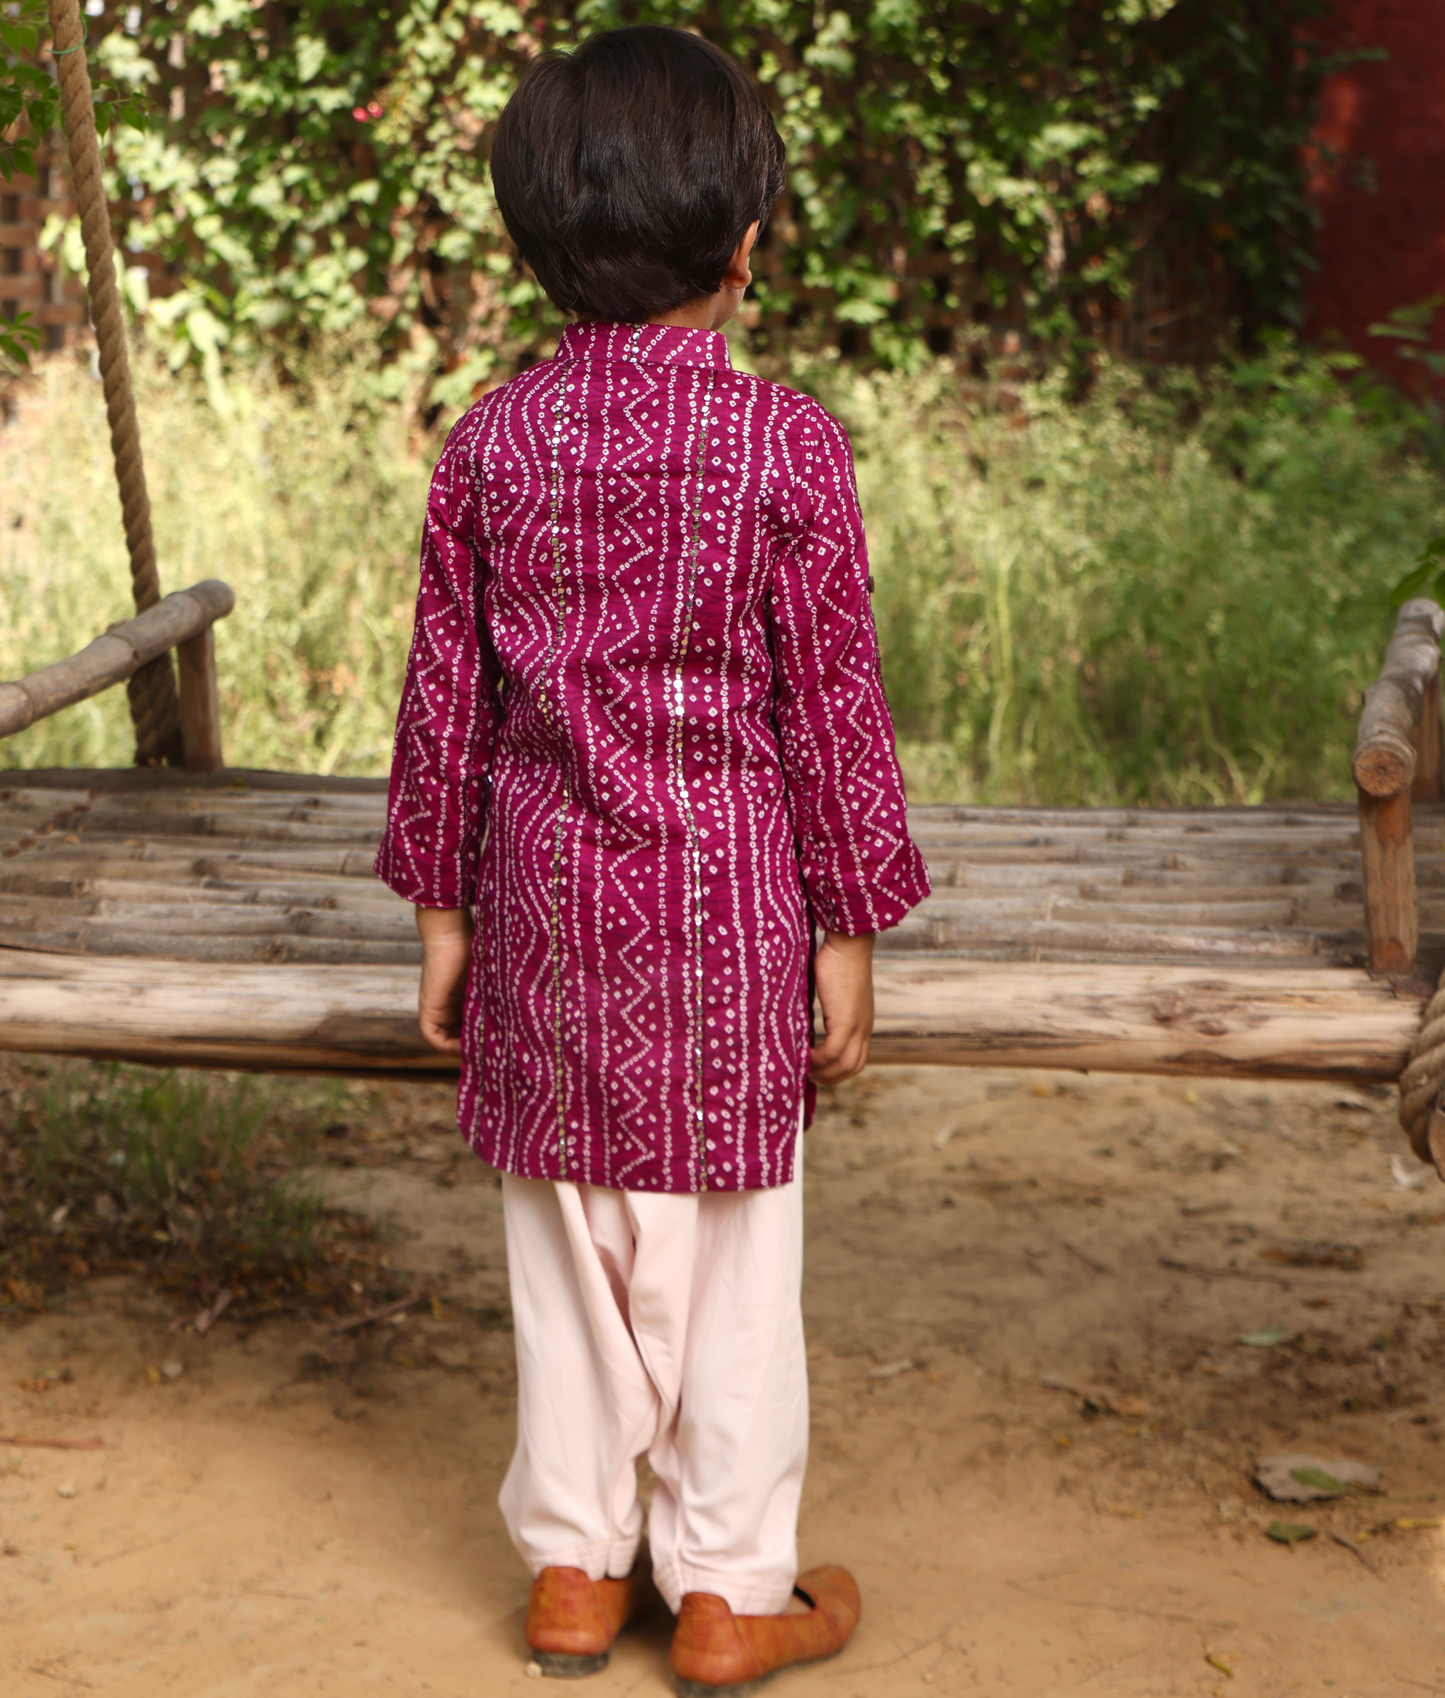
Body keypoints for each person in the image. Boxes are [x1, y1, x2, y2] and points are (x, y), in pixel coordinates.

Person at [374, 24, 930, 1694]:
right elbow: (831, 707)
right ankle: (726, 1589)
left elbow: (443, 701)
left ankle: (569, 1567)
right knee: (732, 1259)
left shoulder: (491, 445)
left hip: (543, 910)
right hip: (731, 915)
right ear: (746, 237)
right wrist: (851, 925)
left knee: (566, 1251)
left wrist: (441, 917)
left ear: (539, 238)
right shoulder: (786, 448)